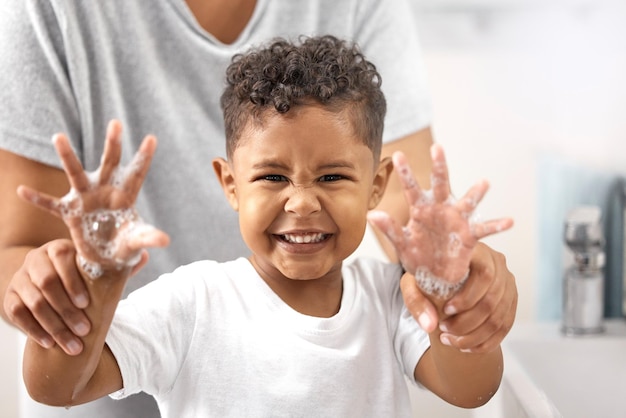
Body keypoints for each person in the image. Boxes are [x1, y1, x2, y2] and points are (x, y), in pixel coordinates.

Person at [0, 1, 517, 417]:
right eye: (272, 177)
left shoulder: (387, 302)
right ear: (230, 184)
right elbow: (60, 388)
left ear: (377, 184)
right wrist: (96, 282)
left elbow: (470, 390)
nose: (301, 201)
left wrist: (451, 296)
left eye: (332, 177)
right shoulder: (192, 304)